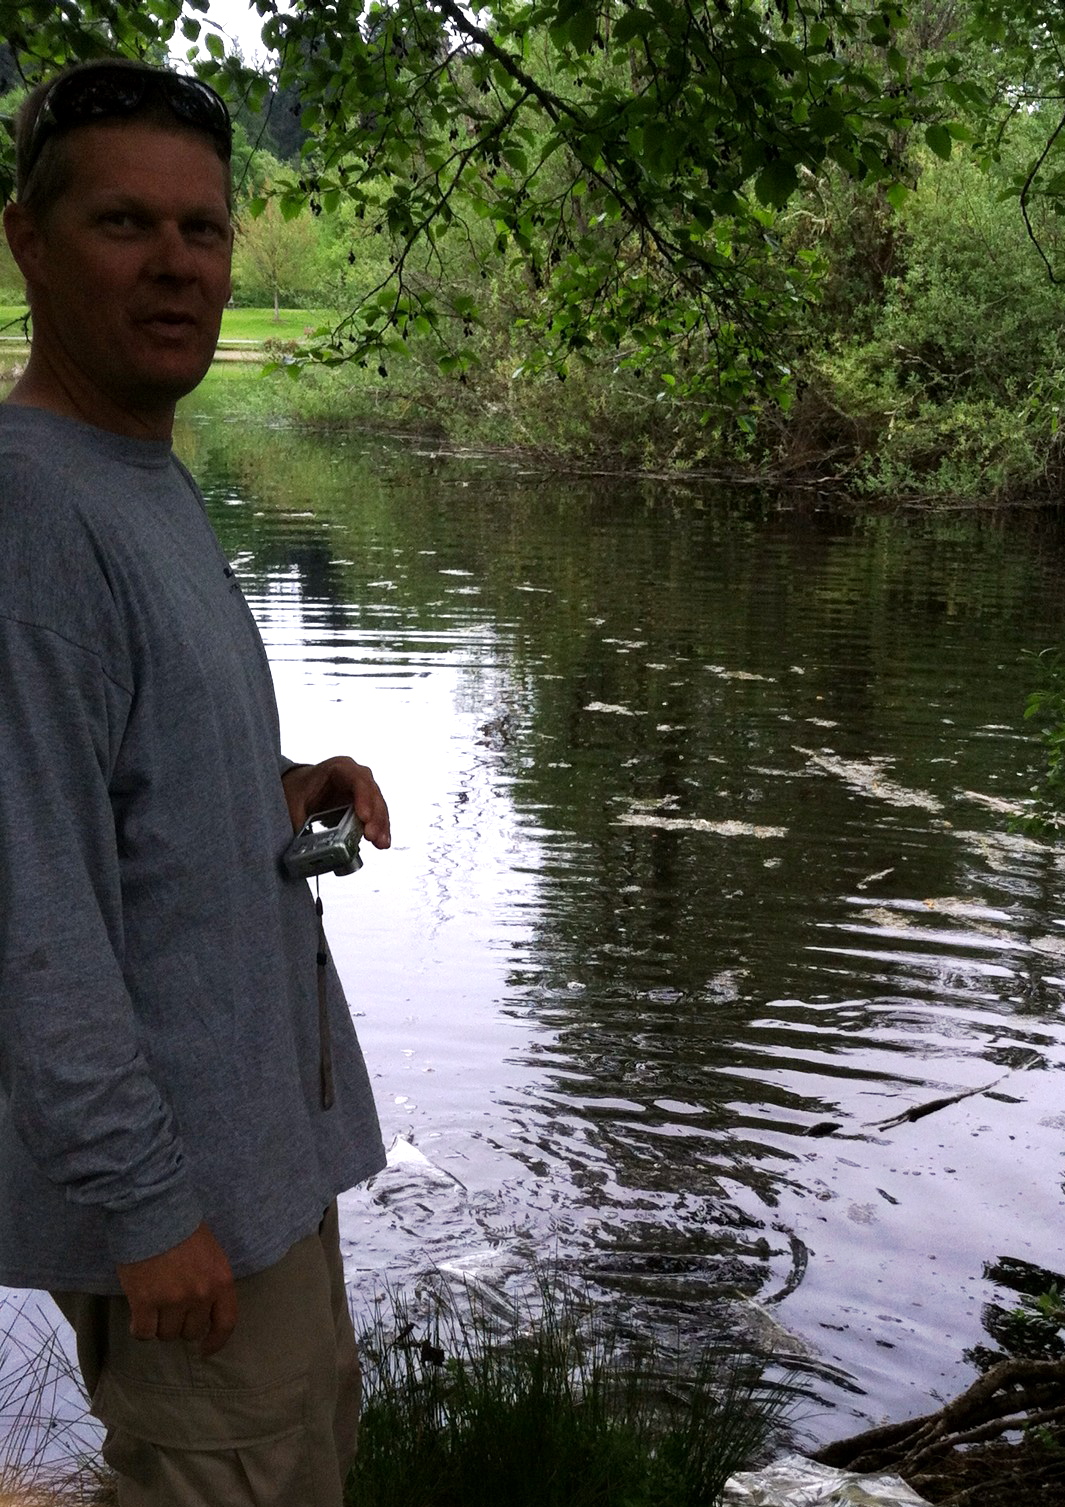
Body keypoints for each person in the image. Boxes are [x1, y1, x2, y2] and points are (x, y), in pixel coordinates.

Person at [0, 58, 389, 1505]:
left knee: (297, 1451)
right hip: (189, 1196)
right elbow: (28, 908)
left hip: (251, 1162)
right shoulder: (31, 514)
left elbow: (105, 778)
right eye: (124, 225)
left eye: (203, 230)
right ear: (27, 240)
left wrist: (270, 784)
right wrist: (149, 1208)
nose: (177, 266)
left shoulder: (134, 467)